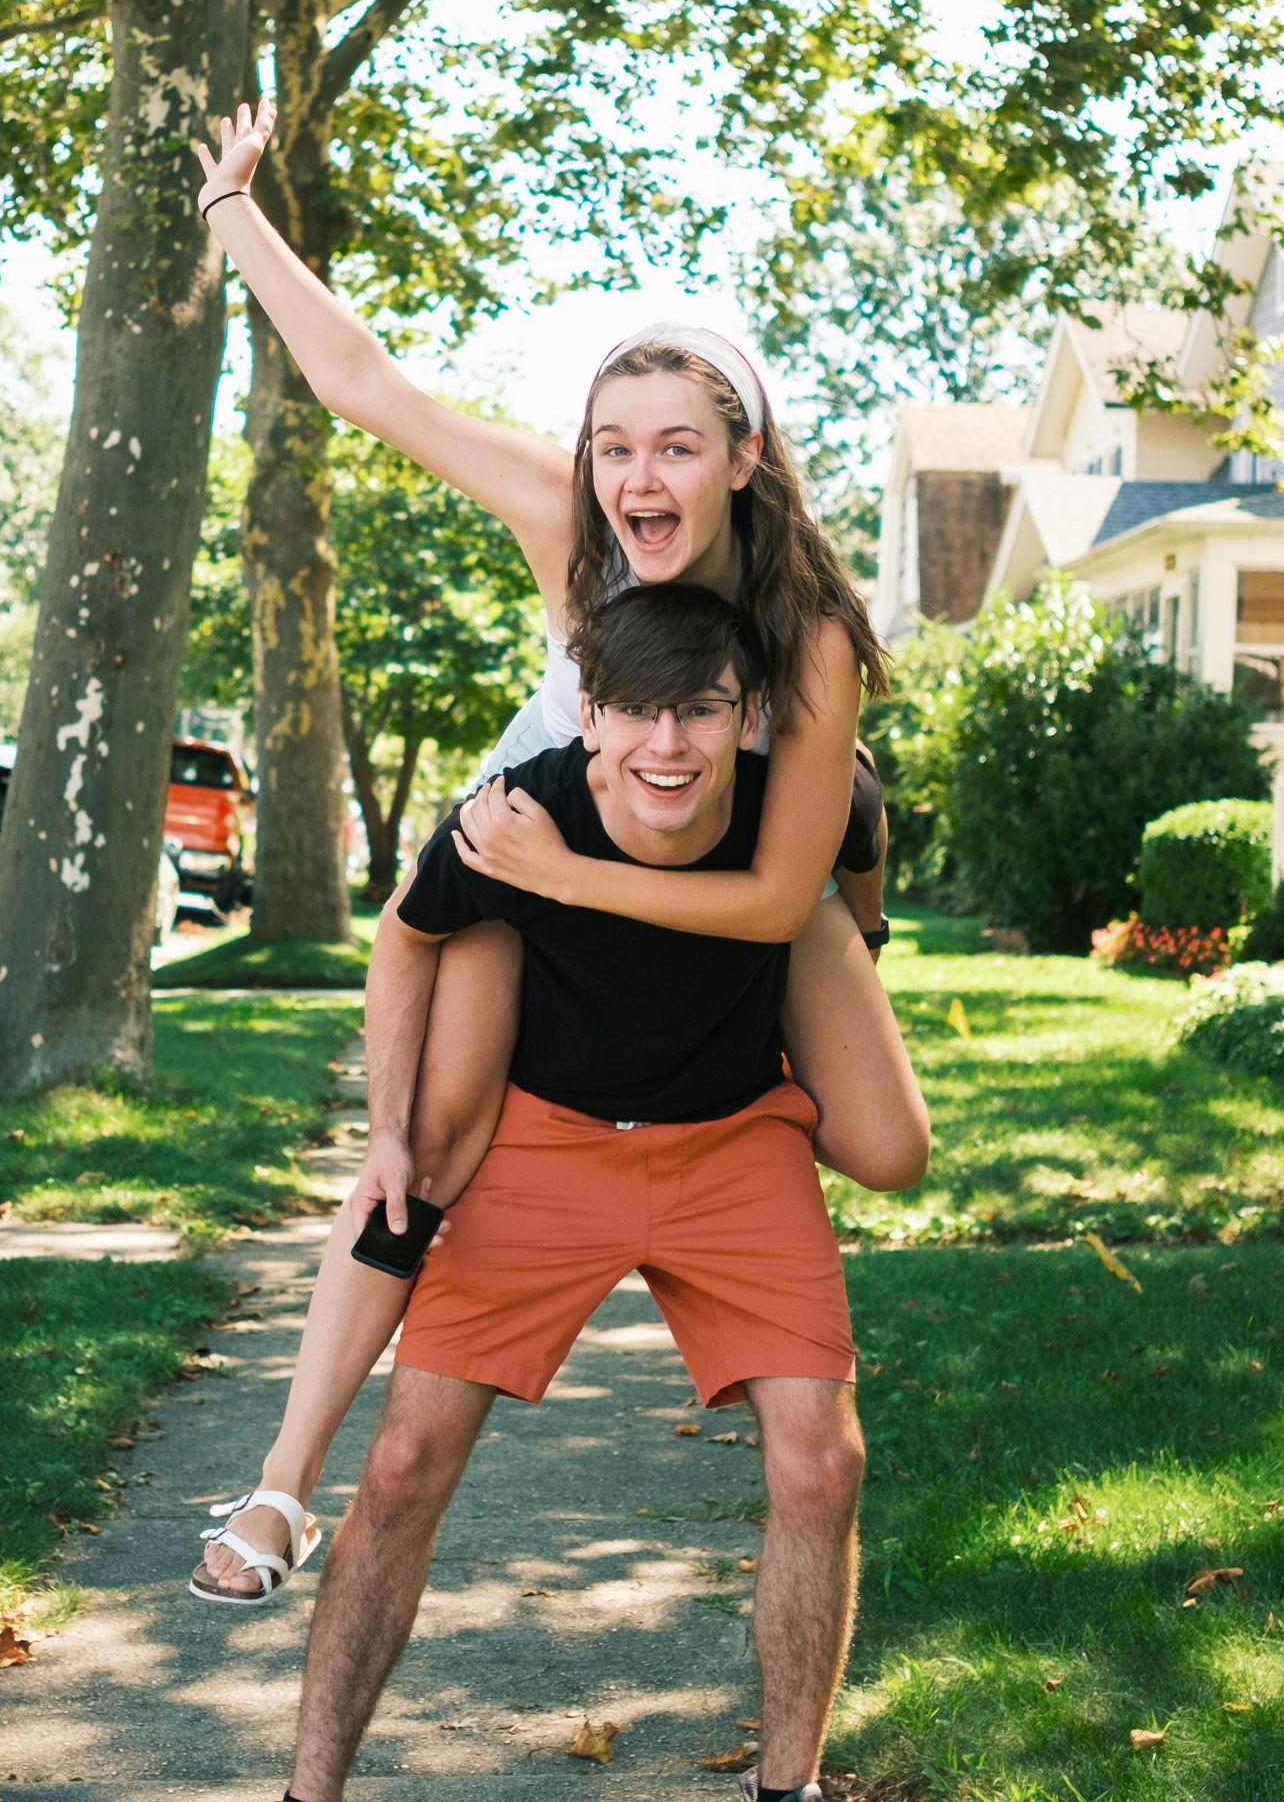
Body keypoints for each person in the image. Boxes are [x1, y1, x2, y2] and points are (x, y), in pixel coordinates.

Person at [187, 99, 930, 1602]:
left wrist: (846, 898)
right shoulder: (569, 523)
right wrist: (232, 213)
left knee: (886, 1134)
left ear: (743, 454)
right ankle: (280, 1488)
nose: (636, 477)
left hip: (712, 867)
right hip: (536, 841)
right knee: (434, 1140)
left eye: (675, 447)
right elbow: (366, 384)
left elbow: (781, 892)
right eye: (612, 447)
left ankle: (743, 1097)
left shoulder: (804, 631)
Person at [276, 585, 912, 1802]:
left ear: (748, 715)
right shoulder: (519, 814)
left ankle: (788, 1788)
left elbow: (862, 829)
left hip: (734, 1141)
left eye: (700, 710)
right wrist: (389, 1129)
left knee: (823, 1461)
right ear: (589, 714)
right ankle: (309, 1793)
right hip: (546, 1145)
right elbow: (404, 932)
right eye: (635, 711)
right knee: (403, 1462)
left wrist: (861, 940)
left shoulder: (795, 803)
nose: (667, 743)